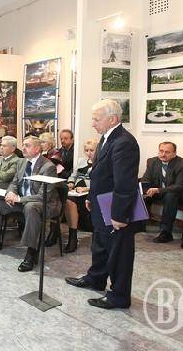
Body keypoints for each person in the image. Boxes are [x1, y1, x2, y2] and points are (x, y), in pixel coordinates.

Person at [65, 99, 141, 310]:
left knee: (119, 254)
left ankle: (119, 296)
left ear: (112, 119)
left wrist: (119, 215)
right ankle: (96, 278)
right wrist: (91, 197)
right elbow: (100, 174)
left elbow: (124, 183)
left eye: (96, 119)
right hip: (101, 203)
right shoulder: (106, 138)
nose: (92, 123)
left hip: (116, 208)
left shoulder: (124, 142)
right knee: (100, 245)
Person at [0, 137, 60, 274]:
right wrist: (10, 193)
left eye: (27, 145)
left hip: (43, 204)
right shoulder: (21, 162)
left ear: (37, 149)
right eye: (23, 145)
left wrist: (19, 199)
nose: (23, 148)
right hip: (22, 201)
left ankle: (31, 252)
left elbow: (43, 196)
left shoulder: (48, 167)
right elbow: (14, 182)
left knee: (31, 207)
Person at [141, 142, 183, 243]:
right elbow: (146, 179)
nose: (163, 154)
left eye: (167, 152)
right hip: (160, 191)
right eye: (161, 151)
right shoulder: (152, 161)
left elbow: (179, 186)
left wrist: (158, 190)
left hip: (180, 194)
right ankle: (139, 225)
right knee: (141, 192)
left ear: (174, 153)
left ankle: (166, 232)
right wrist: (145, 188)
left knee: (170, 196)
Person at [63, 138, 98, 253]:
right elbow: (73, 175)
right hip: (76, 190)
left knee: (70, 201)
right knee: (63, 198)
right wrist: (71, 183)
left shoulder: (101, 163)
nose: (89, 153)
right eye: (86, 150)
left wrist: (86, 189)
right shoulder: (81, 161)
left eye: (91, 150)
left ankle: (73, 238)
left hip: (89, 192)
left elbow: (100, 183)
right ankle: (69, 235)